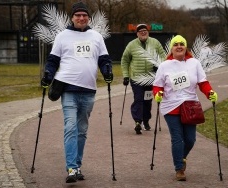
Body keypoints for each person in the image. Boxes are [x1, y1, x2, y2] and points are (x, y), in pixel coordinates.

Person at [40, 1, 113, 184]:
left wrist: (107, 71)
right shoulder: (62, 36)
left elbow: (104, 59)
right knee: (70, 127)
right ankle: (71, 167)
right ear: (72, 17)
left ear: (88, 17)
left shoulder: (96, 36)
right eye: (77, 15)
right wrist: (48, 74)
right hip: (69, 90)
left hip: (89, 91)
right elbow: (52, 60)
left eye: (84, 15)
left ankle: (77, 165)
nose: (81, 18)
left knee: (82, 131)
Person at [152, 35, 218, 181]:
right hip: (171, 106)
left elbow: (203, 82)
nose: (179, 46)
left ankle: (181, 158)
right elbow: (157, 85)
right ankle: (179, 169)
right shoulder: (165, 66)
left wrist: (210, 93)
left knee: (190, 139)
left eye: (182, 44)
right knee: (177, 138)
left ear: (186, 47)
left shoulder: (194, 63)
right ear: (172, 48)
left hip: (190, 105)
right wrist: (158, 94)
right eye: (176, 44)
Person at [121, 24, 166, 134]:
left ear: (148, 32)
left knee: (147, 101)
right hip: (137, 79)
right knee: (138, 99)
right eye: (140, 31)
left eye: (145, 30)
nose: (143, 32)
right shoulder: (131, 45)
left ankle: (146, 120)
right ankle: (137, 121)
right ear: (137, 34)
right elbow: (125, 60)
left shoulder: (155, 43)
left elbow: (163, 56)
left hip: (151, 79)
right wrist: (126, 76)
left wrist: (159, 66)